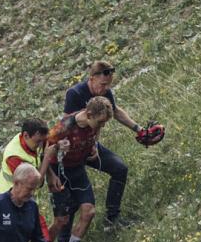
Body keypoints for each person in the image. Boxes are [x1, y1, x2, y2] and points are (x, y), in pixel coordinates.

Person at [63, 60, 155, 228]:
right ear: (92, 78)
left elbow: (116, 111)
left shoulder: (105, 93)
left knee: (120, 169)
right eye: (103, 84)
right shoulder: (74, 94)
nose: (105, 89)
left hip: (91, 147)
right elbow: (67, 126)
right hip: (72, 150)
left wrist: (139, 130)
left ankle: (112, 219)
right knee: (70, 201)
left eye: (108, 85)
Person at [46, 96, 113, 242]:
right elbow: (43, 151)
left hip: (77, 170)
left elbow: (94, 135)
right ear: (89, 114)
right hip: (58, 171)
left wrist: (93, 149)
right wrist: (50, 175)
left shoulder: (94, 124)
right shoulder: (64, 126)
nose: (102, 126)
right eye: (100, 122)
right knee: (62, 218)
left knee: (89, 212)